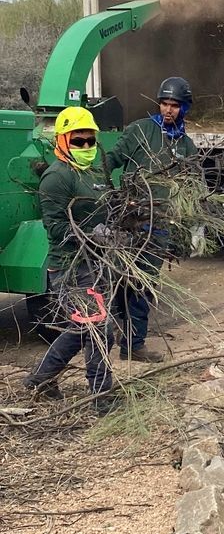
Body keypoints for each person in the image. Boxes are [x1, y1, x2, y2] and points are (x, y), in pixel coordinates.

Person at [22, 107, 121, 413]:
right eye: (79, 142)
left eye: (90, 141)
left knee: (81, 329)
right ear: (63, 141)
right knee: (97, 329)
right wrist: (93, 233)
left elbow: (106, 208)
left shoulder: (92, 172)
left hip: (94, 262)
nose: (86, 147)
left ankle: (40, 378)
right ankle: (100, 396)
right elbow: (56, 227)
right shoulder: (56, 178)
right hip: (70, 267)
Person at [107, 77, 198, 363]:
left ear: (184, 108)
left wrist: (193, 225)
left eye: (175, 105)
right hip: (130, 219)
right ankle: (125, 339)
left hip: (159, 225)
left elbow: (193, 187)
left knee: (143, 282)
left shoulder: (186, 146)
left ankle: (133, 344)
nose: (168, 110)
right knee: (122, 280)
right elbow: (111, 160)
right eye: (164, 103)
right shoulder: (140, 131)